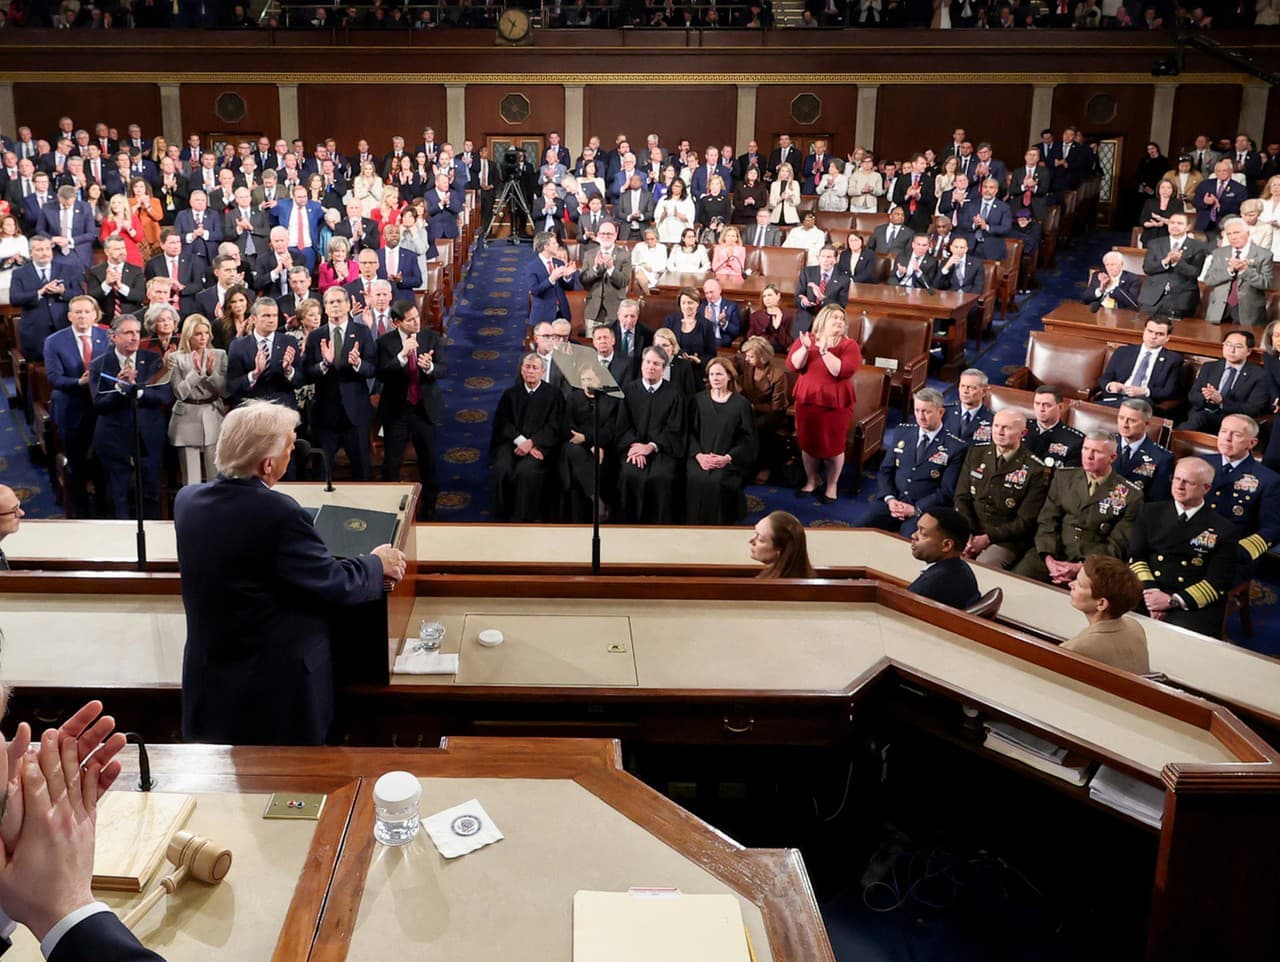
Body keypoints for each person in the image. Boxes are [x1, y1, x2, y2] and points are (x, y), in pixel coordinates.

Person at [176, 401, 405, 745]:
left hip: (212, 683)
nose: (291, 454)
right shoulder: (279, 512)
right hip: (272, 693)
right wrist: (376, 562)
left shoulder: (187, 500)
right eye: (289, 446)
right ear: (268, 464)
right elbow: (334, 584)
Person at [1128, 457, 1241, 639]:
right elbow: (1136, 556)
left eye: (1188, 482)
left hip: (1189, 600)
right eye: (1177, 479)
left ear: (1207, 488)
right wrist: (1152, 594)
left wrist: (1172, 601)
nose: (1179, 486)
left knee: (1182, 645)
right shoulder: (1149, 511)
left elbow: (1217, 582)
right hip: (1147, 590)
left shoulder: (1224, 530)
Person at [1014, 432, 1144, 584]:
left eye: (1097, 452)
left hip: (1094, 564)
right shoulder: (1063, 478)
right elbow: (1047, 521)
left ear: (1113, 458)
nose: (1089, 456)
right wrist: (1049, 559)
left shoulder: (1131, 495)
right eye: (1086, 449)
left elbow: (1116, 545)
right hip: (1052, 553)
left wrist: (1081, 568)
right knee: (1018, 581)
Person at [90, 313, 172, 519]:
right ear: (114, 337)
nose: (135, 337)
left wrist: (137, 390)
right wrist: (118, 387)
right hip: (114, 437)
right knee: (118, 495)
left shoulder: (152, 360)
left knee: (151, 492)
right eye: (128, 332)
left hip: (148, 436)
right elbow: (99, 404)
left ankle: (153, 538)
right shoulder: (99, 364)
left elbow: (164, 395)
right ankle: (123, 541)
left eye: (137, 332)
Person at [954, 408, 1051, 569]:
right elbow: (961, 497)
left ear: (1023, 433)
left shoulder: (1036, 469)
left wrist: (987, 538)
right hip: (970, 528)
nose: (999, 432)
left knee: (983, 566)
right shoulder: (975, 453)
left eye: (1007, 428)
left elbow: (1025, 522)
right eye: (996, 426)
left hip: (1006, 539)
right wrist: (968, 534)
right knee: (941, 551)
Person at [42, 295, 111, 517]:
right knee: (77, 464)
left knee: (103, 462)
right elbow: (53, 378)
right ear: (70, 315)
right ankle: (80, 513)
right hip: (71, 410)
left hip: (101, 410)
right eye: (77, 312)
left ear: (95, 314)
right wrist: (78, 382)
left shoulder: (106, 336)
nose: (82, 316)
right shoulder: (54, 341)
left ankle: (104, 508)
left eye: (86, 312)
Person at [787, 305, 862, 504]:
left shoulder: (849, 345)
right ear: (823, 320)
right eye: (834, 318)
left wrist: (824, 352)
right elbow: (793, 365)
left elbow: (841, 370)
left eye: (841, 319)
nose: (839, 321)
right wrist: (804, 348)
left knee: (833, 447)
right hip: (807, 400)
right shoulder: (807, 339)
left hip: (835, 404)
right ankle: (811, 481)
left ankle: (831, 484)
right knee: (808, 444)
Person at [376, 300, 443, 520]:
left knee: (429, 462)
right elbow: (382, 374)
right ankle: (391, 509)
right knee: (392, 462)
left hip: (424, 409)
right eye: (411, 319)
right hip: (397, 410)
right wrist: (402, 356)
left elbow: (444, 369)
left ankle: (430, 508)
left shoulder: (431, 337)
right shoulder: (385, 343)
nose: (417, 322)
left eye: (417, 317)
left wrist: (429, 367)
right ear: (397, 323)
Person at [869, 387, 967, 536]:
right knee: (857, 530)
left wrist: (915, 509)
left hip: (923, 510)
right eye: (917, 411)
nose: (920, 417)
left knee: (910, 546)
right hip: (893, 502)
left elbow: (946, 491)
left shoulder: (955, 447)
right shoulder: (903, 432)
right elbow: (885, 471)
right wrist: (890, 499)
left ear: (940, 412)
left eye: (926, 412)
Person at [304, 286, 377, 480]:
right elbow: (307, 373)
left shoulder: (362, 332)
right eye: (330, 302)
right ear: (324, 308)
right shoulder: (315, 336)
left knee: (361, 471)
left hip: (356, 413)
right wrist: (324, 364)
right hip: (326, 415)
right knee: (321, 472)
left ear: (348, 305)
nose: (335, 306)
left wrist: (358, 363)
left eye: (339, 301)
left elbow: (372, 369)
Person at [616, 346, 687, 523]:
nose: (650, 367)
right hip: (633, 449)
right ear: (641, 365)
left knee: (660, 477)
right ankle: (628, 526)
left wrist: (651, 446)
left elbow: (675, 428)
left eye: (656, 364)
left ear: (664, 369)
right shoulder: (629, 390)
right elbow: (623, 425)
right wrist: (635, 447)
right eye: (647, 362)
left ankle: (660, 527)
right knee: (630, 474)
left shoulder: (675, 393)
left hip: (663, 450)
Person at [490, 353, 564, 522]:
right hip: (512, 443)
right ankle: (500, 519)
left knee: (526, 472)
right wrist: (522, 441)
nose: (531, 371)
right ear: (521, 370)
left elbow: (555, 426)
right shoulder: (511, 394)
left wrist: (532, 443)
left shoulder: (554, 395)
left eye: (535, 368)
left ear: (543, 371)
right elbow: (503, 422)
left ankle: (523, 520)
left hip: (541, 446)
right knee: (502, 469)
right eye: (527, 367)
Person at [685, 356, 757, 525]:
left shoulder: (741, 404)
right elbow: (689, 433)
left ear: (729, 376)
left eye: (719, 374)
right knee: (696, 477)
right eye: (711, 374)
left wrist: (727, 458)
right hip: (699, 457)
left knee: (716, 480)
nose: (715, 378)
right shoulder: (697, 401)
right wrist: (699, 456)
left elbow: (748, 439)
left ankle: (720, 525)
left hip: (728, 460)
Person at [1206, 414, 1280, 570]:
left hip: (1231, 552)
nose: (1227, 438)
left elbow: (1272, 529)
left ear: (1252, 443)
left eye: (1236, 434)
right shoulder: (1201, 463)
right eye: (1224, 431)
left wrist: (1238, 552)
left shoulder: (1268, 479)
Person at [1062, 555, 1151, 673]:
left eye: (1080, 584)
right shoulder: (1135, 626)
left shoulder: (1075, 649)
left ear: (1102, 603)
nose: (1071, 584)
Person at [167, 313, 228, 486]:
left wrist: (210, 375)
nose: (203, 337)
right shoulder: (176, 358)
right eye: (198, 334)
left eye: (206, 333)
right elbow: (179, 393)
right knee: (191, 480)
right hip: (186, 418)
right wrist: (196, 374)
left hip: (213, 414)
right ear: (188, 336)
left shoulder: (219, 355)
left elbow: (225, 391)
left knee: (215, 477)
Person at [1179, 329, 1270, 433]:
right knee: (1197, 418)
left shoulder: (1259, 375)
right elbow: (1192, 395)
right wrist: (1208, 398)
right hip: (1202, 414)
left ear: (1248, 351)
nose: (1231, 350)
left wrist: (1221, 401)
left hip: (1232, 420)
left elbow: (1253, 409)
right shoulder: (1209, 367)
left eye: (1238, 346)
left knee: (1199, 419)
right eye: (1228, 344)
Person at [1095, 317, 1183, 407]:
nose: (1153, 337)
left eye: (1159, 334)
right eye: (1150, 331)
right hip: (1116, 397)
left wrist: (1145, 391)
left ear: (1167, 338)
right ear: (1144, 331)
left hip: (1143, 402)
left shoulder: (1173, 360)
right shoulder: (1123, 351)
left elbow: (1169, 391)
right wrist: (1110, 385)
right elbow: (1105, 378)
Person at [1202, 217, 1274, 327]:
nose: (1233, 237)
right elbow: (1209, 280)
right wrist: (1229, 270)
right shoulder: (1219, 253)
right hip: (1218, 311)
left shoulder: (1264, 255)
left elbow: (1266, 283)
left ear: (1247, 233)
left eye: (1236, 232)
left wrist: (1244, 270)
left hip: (1249, 313)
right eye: (1229, 234)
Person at [906, 508, 982, 609]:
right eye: (917, 529)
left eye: (923, 533)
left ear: (947, 545)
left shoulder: (927, 588)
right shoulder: (961, 567)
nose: (913, 535)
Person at [1137, 212, 1207, 317]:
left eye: (1179, 223)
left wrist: (1178, 263)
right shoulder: (1155, 243)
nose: (1175, 226)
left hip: (1181, 300)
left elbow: (1195, 272)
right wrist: (1165, 261)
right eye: (1172, 222)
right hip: (1152, 298)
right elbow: (1147, 268)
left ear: (1188, 227)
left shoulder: (1198, 246)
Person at [1114, 398, 1174, 502]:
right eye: (1121, 418)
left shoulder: (1161, 458)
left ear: (1146, 424)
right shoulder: (1105, 443)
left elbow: (1156, 502)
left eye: (1132, 420)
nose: (1124, 424)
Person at [580, 219, 632, 328]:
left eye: (609, 234)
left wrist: (611, 269)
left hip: (615, 310)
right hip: (593, 310)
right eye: (603, 233)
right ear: (598, 235)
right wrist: (595, 269)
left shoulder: (625, 255)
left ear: (615, 235)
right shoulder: (589, 254)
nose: (606, 236)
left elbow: (624, 281)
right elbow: (583, 280)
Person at [794, 244, 851, 335]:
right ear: (818, 258)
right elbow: (797, 297)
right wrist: (803, 302)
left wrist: (823, 299)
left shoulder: (843, 279)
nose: (825, 260)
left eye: (829, 257)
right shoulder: (807, 272)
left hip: (828, 320)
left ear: (836, 260)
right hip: (806, 318)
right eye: (823, 256)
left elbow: (841, 307)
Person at [525, 232, 580, 325]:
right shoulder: (532, 267)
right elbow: (535, 291)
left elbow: (569, 287)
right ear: (546, 247)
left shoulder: (559, 263)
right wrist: (551, 279)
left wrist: (567, 277)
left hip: (562, 313)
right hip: (543, 316)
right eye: (554, 243)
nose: (557, 245)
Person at [1025, 385, 1084, 469]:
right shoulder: (1022, 427)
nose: (1041, 409)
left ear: (1060, 407)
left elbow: (1070, 476)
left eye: (1047, 405)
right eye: (1037, 404)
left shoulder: (1075, 440)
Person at [750, 510, 815, 579]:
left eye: (760, 539)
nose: (751, 541)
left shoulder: (770, 587)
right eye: (755, 533)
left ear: (780, 549)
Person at [942, 368, 992, 444]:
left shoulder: (992, 420)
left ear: (984, 392)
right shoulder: (944, 412)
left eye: (971, 388)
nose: (965, 391)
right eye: (962, 386)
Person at [651, 326, 700, 396]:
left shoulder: (684, 365)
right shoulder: (649, 364)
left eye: (665, 345)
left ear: (673, 346)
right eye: (657, 346)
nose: (661, 349)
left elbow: (690, 395)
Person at [1139, 178, 1181, 247]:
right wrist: (1155, 225)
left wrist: (1161, 219)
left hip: (1168, 238)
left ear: (1173, 190)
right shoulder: (1150, 202)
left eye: (1168, 188)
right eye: (1162, 187)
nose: (1165, 190)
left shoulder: (1178, 203)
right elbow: (1143, 222)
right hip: (1149, 238)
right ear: (1158, 189)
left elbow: (1177, 222)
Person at [655, 177, 694, 244]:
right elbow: (657, 217)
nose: (676, 188)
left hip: (681, 231)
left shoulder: (687, 201)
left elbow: (690, 218)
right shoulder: (663, 199)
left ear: (682, 188)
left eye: (678, 186)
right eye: (674, 186)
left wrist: (677, 214)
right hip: (665, 232)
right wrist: (664, 214)